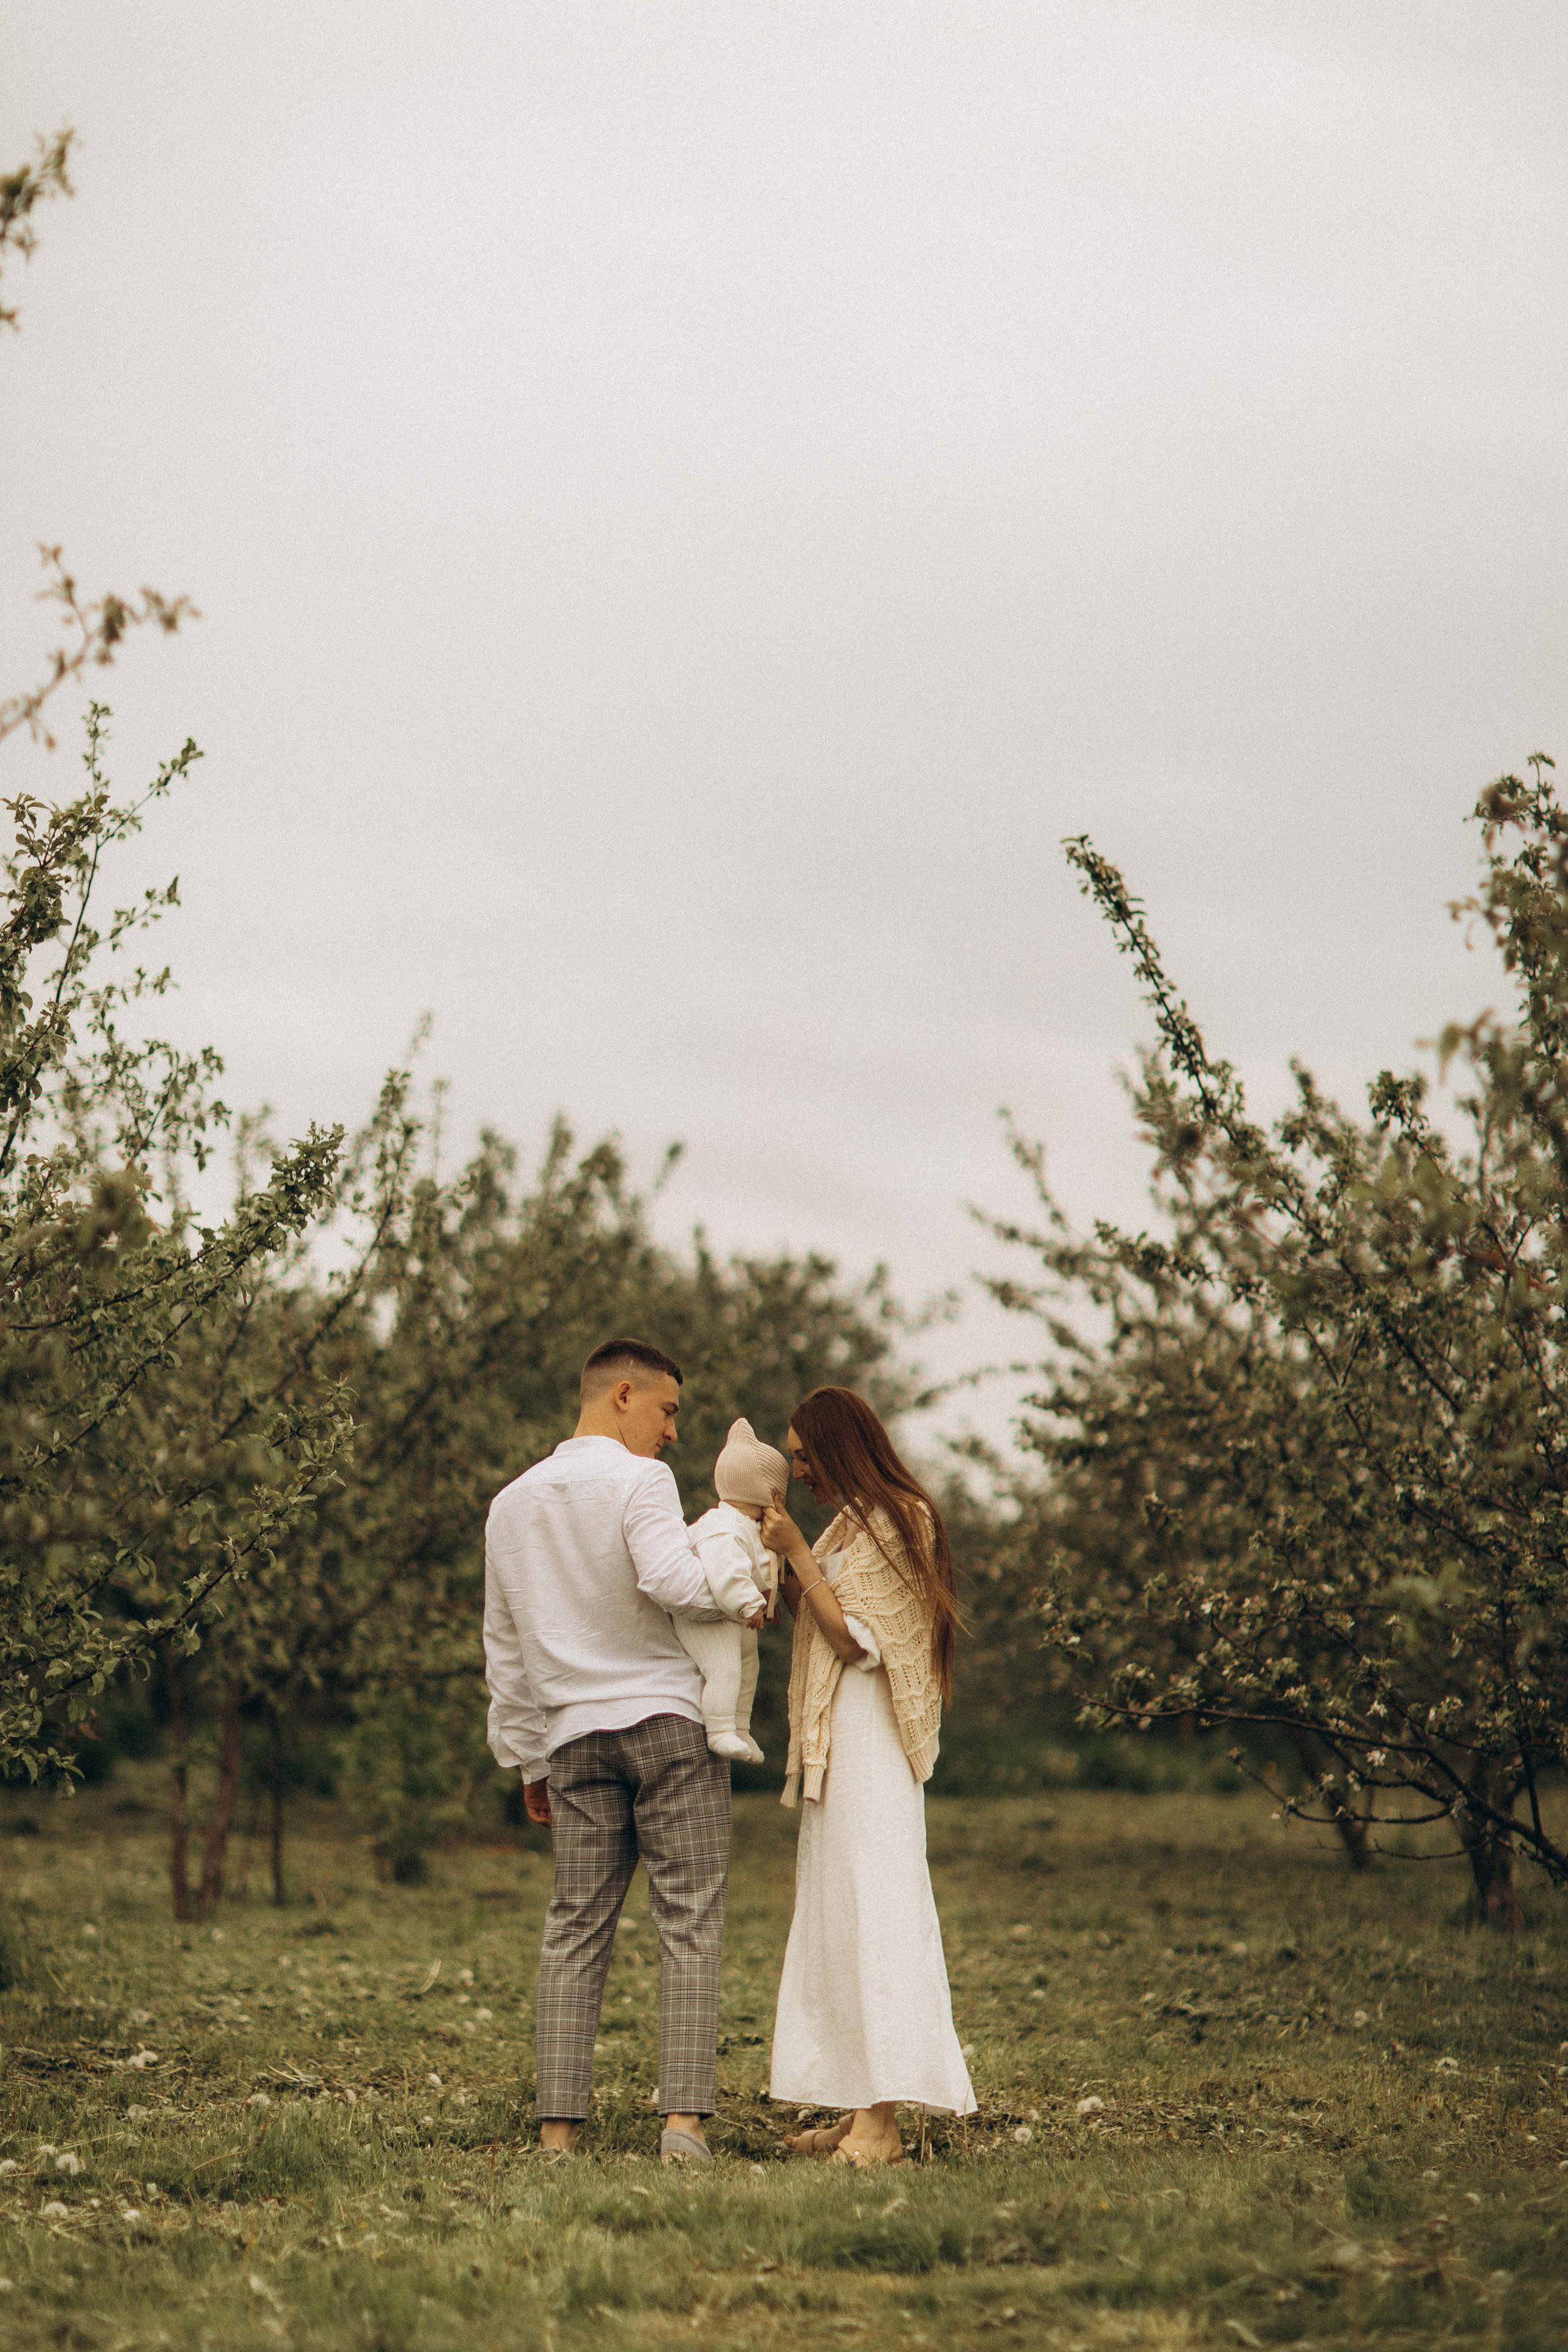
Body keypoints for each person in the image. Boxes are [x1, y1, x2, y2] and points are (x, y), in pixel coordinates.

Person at [483, 1337, 761, 2165]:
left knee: (575, 1926)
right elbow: (674, 1583)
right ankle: (681, 2127)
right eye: (670, 1411)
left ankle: (558, 2133)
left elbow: (505, 1646)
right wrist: (750, 1583)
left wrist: (528, 1758)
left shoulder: (511, 1503)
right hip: (670, 1725)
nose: (675, 1434)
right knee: (689, 1920)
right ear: (626, 1395)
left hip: (571, 1738)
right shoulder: (643, 1481)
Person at [761, 1386, 976, 2168]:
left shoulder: (902, 1519)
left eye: (805, 1453)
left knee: (876, 1917)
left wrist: (794, 1554)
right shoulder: (851, 1523)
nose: (800, 1468)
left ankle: (881, 2126)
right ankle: (860, 2111)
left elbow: (854, 1642)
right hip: (835, 1742)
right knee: (839, 1918)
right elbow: (819, 1618)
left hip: (871, 1746)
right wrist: (785, 1570)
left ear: (840, 1446)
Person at [674, 1418, 788, 1763]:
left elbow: (763, 1568)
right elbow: (729, 1572)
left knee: (748, 1667)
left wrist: (770, 1601)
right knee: (725, 1668)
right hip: (710, 1618)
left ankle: (740, 1728)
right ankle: (720, 1730)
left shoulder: (751, 1527)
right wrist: (750, 1603)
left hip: (735, 1616)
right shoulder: (721, 1526)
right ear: (764, 1490)